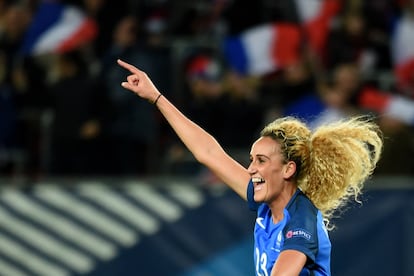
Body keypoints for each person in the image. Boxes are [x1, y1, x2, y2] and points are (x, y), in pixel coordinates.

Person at [117, 59, 383, 275]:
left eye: (261, 161)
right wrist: (156, 97)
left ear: (288, 170)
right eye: (252, 159)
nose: (251, 169)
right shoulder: (267, 205)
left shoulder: (301, 217)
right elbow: (209, 152)